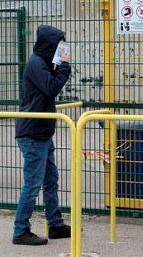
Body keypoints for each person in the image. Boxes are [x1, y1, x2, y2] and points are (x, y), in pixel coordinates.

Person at [13, 25, 72, 245]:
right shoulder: (36, 64)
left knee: (50, 180)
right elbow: (50, 88)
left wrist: (59, 65)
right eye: (58, 45)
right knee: (33, 183)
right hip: (32, 133)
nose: (61, 49)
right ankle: (21, 230)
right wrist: (64, 68)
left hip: (42, 133)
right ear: (49, 45)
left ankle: (55, 224)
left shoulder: (43, 62)